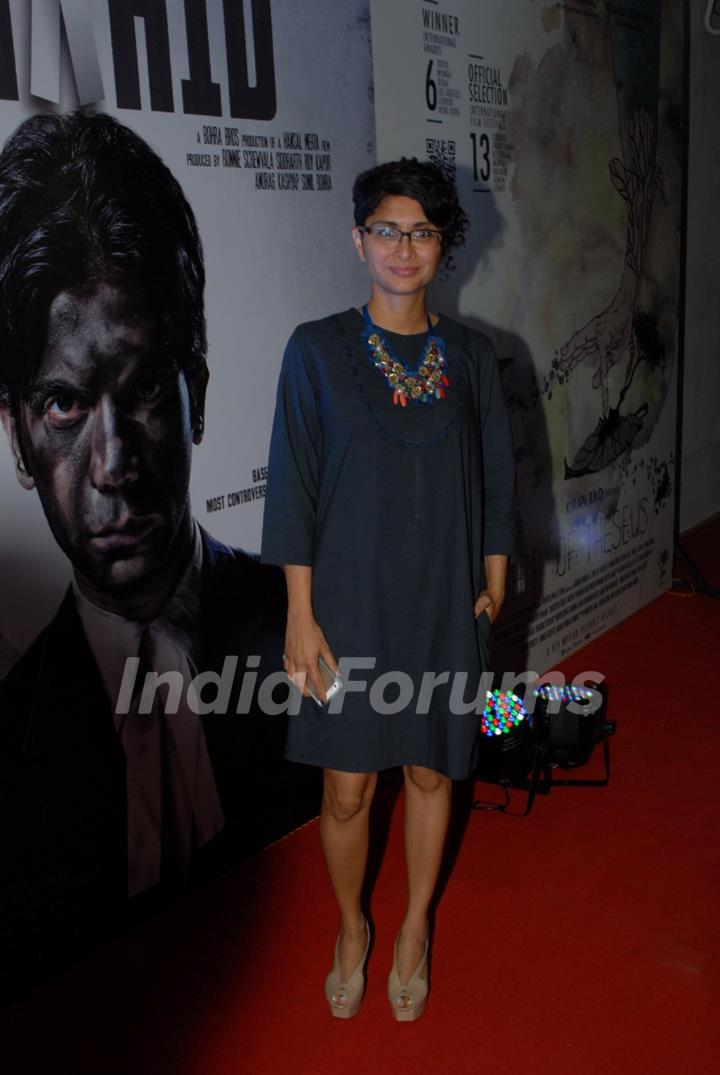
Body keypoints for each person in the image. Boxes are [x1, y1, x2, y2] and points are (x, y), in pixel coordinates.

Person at [0, 112, 308, 1005]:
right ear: (18, 435)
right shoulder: (10, 744)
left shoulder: (306, 631)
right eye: (63, 404)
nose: (113, 465)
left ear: (197, 393)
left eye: (142, 393)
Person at [262, 158, 520, 1021]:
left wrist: (494, 575)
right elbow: (293, 488)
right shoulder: (315, 350)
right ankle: (351, 925)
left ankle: (412, 926)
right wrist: (299, 614)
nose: (402, 247)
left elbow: (494, 479)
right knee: (346, 788)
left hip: (445, 599)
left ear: (443, 246)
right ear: (357, 239)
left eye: (421, 232)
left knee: (433, 772)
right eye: (386, 229)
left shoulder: (473, 355)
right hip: (345, 606)